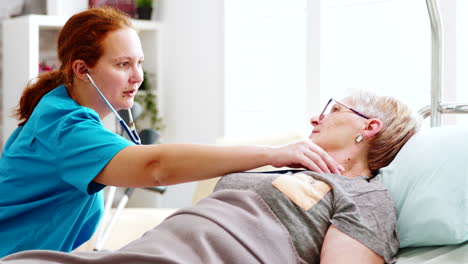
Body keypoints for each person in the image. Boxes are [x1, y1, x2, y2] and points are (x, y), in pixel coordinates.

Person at [0, 7, 344, 258]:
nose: (138, 77)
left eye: (140, 62)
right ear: (82, 69)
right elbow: (156, 167)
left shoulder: (64, 110)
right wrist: (275, 154)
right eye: (123, 64)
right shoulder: (65, 127)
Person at [0, 90, 421, 264]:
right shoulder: (278, 164)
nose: (317, 116)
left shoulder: (365, 197)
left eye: (333, 108)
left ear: (369, 128)